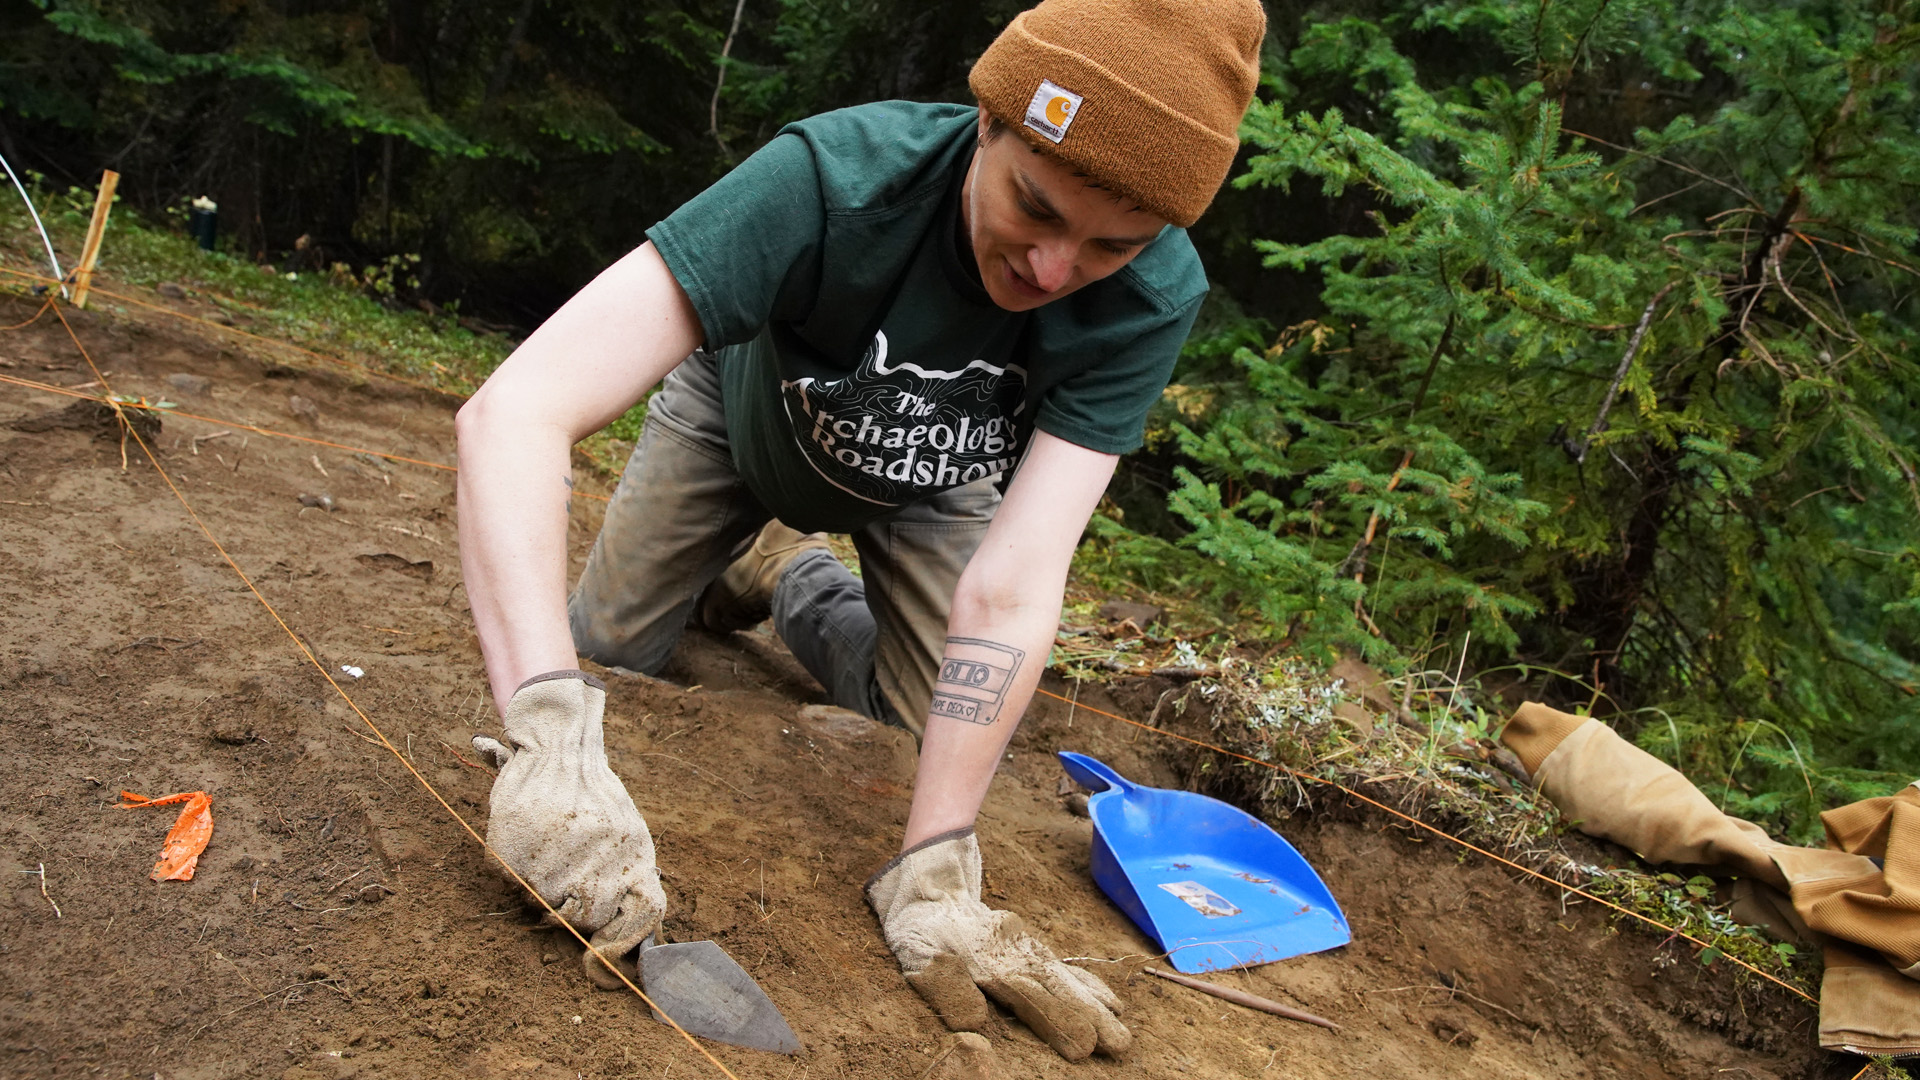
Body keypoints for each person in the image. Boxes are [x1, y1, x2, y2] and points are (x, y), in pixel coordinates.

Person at [454, 0, 1263, 1062]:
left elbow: (1015, 585)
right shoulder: (834, 177)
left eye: (1112, 243)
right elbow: (514, 411)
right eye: (1035, 207)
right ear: (990, 123)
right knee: (607, 653)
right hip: (737, 421)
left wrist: (936, 866)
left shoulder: (1152, 298)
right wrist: (547, 733)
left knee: (929, 736)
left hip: (934, 479)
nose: (1057, 270)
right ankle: (740, 545)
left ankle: (790, 573)